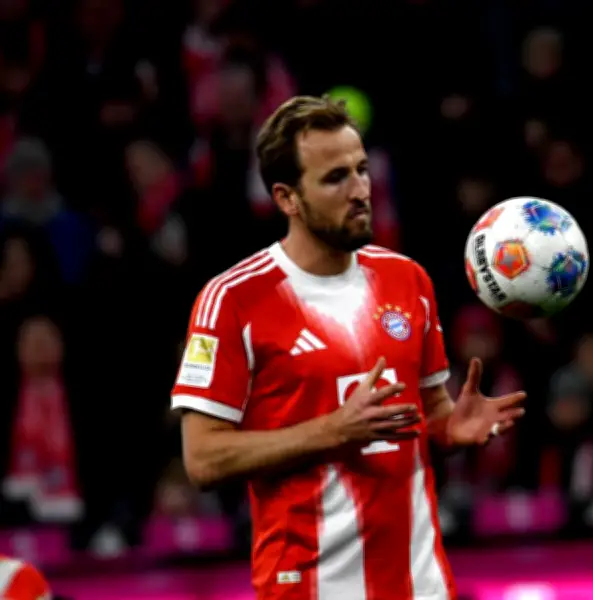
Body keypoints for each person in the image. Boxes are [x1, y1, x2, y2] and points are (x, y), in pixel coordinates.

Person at [171, 95, 527, 600]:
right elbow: (203, 460)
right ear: (287, 198)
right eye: (336, 178)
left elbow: (428, 414)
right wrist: (332, 431)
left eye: (361, 169)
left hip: (420, 585)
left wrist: (451, 428)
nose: (360, 190)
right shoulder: (232, 300)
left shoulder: (408, 280)